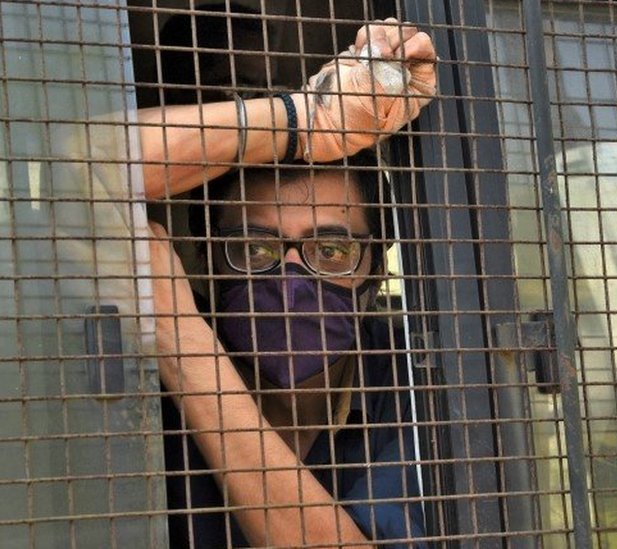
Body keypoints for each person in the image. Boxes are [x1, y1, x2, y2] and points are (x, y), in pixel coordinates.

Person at [138, 18, 438, 548]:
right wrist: (309, 119)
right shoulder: (134, 395)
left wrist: (180, 342)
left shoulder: (425, 388)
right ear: (206, 260)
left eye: (333, 251)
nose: (292, 280)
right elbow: (78, 163)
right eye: (255, 249)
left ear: (376, 267)